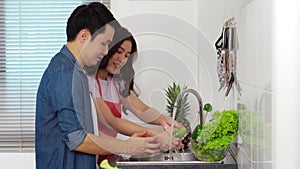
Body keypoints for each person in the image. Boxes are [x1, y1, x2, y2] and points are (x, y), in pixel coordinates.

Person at [35, 2, 160, 169]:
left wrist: (126, 143)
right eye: (103, 43)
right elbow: (77, 139)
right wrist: (128, 146)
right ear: (84, 36)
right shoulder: (64, 73)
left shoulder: (77, 73)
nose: (107, 51)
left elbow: (89, 133)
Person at [87, 27, 183, 164]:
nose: (122, 59)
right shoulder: (90, 81)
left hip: (112, 153)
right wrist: (156, 134)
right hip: (96, 152)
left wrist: (165, 120)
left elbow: (141, 109)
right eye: (119, 52)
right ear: (108, 50)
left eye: (126, 55)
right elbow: (111, 121)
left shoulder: (116, 82)